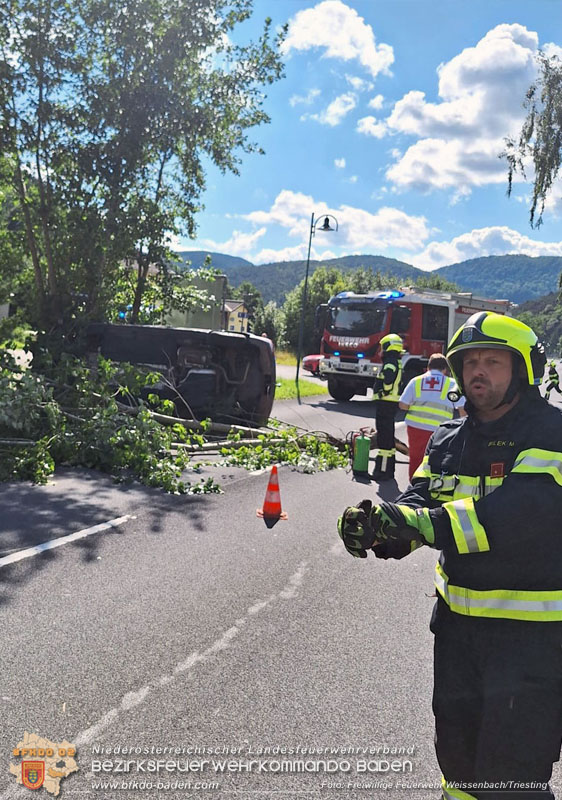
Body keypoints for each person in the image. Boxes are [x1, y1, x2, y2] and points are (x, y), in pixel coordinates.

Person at [338, 312, 562, 800]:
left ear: (524, 370)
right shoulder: (446, 439)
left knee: (512, 775)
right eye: (470, 362)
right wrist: (383, 527)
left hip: (532, 641)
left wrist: (424, 525)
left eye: (493, 361)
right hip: (458, 631)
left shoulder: (551, 433)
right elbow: (421, 502)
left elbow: (522, 513)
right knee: (457, 762)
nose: (478, 372)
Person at [399, 353, 466, 480]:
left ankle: (414, 485)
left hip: (416, 427)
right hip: (441, 430)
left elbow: (403, 405)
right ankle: (432, 486)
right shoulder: (452, 384)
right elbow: (463, 410)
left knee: (416, 458)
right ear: (445, 369)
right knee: (437, 460)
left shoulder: (416, 381)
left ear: (428, 367)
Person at [371, 333, 403, 481]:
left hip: (386, 402)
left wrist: (383, 392)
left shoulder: (390, 363)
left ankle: (381, 472)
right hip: (391, 404)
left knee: (384, 438)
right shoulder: (396, 361)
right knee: (388, 439)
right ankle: (389, 470)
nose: (381, 350)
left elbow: (388, 380)